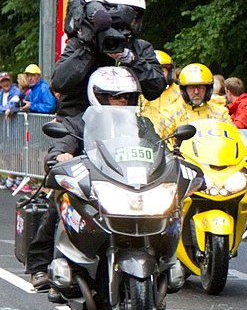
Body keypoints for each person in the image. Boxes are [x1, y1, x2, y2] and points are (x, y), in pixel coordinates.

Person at [26, 67, 157, 298]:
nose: (122, 100)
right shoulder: (80, 122)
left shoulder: (141, 124)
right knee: (59, 203)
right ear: (100, 96)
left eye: (126, 96)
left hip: (129, 188)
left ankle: (165, 261)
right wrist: (60, 155)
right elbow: (62, 143)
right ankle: (44, 266)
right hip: (92, 188)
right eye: (115, 96)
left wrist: (171, 159)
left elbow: (157, 148)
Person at [51, 0, 166, 119]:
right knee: (62, 140)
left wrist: (131, 60)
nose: (134, 22)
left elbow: (156, 88)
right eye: (132, 17)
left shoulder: (140, 48)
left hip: (123, 126)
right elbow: (59, 82)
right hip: (76, 124)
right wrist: (89, 50)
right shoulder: (80, 43)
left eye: (137, 18)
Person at [157, 63, 235, 138]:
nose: (196, 92)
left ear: (208, 90)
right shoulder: (169, 113)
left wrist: (246, 145)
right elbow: (160, 140)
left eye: (200, 87)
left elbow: (234, 134)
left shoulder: (220, 112)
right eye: (192, 88)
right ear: (184, 90)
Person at [140, 49, 181, 130]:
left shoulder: (181, 93)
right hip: (146, 139)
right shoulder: (139, 94)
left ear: (170, 72)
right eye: (152, 71)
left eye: (161, 71)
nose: (155, 75)